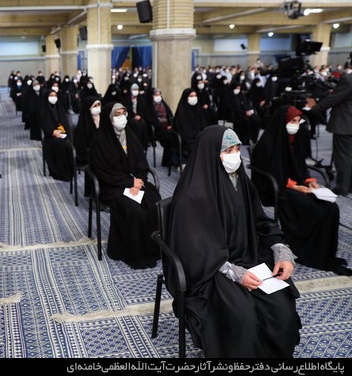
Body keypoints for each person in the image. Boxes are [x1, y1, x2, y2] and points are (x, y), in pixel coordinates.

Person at [168, 125, 301, 358]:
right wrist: (234, 273)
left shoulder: (240, 182)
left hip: (248, 258)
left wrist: (281, 250)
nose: (235, 155)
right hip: (210, 270)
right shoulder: (191, 195)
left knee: (281, 309)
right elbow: (193, 248)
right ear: (210, 153)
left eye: (238, 149)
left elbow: (261, 220)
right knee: (243, 316)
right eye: (228, 150)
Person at [251, 105, 351, 276]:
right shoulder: (268, 143)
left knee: (331, 208)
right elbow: (270, 173)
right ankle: (305, 249)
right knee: (313, 209)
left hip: (296, 185)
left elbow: (300, 167)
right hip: (277, 188)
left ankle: (324, 252)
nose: (295, 125)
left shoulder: (294, 140)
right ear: (282, 122)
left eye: (298, 121)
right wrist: (293, 186)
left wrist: (310, 182)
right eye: (292, 121)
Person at [89, 102, 161, 269]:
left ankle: (152, 249)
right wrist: (129, 183)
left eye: (123, 113)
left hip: (135, 182)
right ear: (108, 118)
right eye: (117, 114)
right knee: (134, 210)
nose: (121, 117)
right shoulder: (99, 140)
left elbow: (141, 163)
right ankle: (133, 252)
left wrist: (139, 181)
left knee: (154, 202)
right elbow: (102, 173)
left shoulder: (130, 135)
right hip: (112, 187)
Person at [305, 65, 352, 196]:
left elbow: (333, 99)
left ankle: (342, 187)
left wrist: (314, 109)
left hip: (345, 124)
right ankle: (349, 185)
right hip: (347, 124)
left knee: (343, 157)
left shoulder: (348, 79)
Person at [40, 88, 74, 182]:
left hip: (62, 133)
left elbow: (65, 123)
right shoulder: (44, 109)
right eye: (51, 96)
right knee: (61, 145)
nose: (53, 97)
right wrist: (53, 132)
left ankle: (69, 170)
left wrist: (64, 132)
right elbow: (44, 124)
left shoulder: (59, 107)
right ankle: (60, 172)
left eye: (55, 95)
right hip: (50, 137)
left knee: (69, 143)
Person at [172, 88, 208, 165]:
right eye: (191, 96)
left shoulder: (198, 109)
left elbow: (203, 125)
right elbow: (182, 130)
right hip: (187, 140)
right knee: (198, 146)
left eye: (195, 95)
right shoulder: (181, 112)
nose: (194, 98)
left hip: (199, 136)